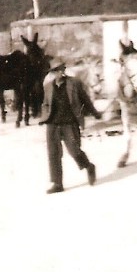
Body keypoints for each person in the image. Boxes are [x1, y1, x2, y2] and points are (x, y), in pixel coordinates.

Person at [38, 58, 102, 194]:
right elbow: (45, 103)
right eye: (55, 71)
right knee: (53, 153)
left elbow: (85, 99)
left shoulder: (74, 83)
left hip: (69, 122)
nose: (58, 74)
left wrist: (95, 113)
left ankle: (89, 166)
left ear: (64, 71)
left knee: (75, 150)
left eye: (60, 70)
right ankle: (57, 183)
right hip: (53, 124)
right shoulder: (48, 86)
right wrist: (44, 117)